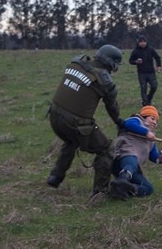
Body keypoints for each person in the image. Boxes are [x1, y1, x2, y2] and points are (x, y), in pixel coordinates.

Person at [46, 45, 128, 200]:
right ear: (112, 64)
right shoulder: (105, 80)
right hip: (75, 124)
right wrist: (119, 122)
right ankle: (100, 192)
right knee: (106, 149)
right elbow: (112, 107)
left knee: (71, 141)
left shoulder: (77, 62)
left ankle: (55, 176)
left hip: (54, 116)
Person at [110, 105, 162, 199]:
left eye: (157, 121)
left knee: (149, 188)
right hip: (123, 156)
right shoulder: (136, 120)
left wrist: (160, 159)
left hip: (134, 168)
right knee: (132, 160)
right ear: (144, 117)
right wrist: (146, 132)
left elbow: (153, 156)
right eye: (152, 118)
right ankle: (122, 179)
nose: (154, 122)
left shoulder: (152, 138)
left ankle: (125, 190)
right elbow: (128, 124)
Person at [128, 36, 162, 106]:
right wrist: (136, 62)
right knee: (143, 88)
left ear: (146, 42)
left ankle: (149, 98)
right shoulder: (135, 51)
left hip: (151, 72)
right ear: (138, 43)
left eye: (144, 41)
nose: (143, 43)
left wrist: (158, 66)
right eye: (141, 42)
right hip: (141, 73)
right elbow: (130, 61)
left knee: (154, 86)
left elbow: (157, 57)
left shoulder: (150, 50)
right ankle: (145, 103)